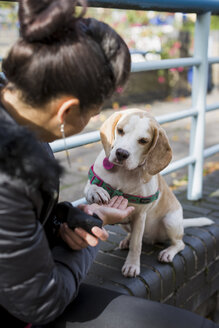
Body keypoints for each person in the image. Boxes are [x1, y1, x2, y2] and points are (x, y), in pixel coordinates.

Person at [0, 1, 218, 327]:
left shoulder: (16, 127)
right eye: (94, 111)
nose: (97, 120)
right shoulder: (11, 175)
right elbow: (39, 304)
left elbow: (20, 229)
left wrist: (64, 221)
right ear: (66, 111)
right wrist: (92, 233)